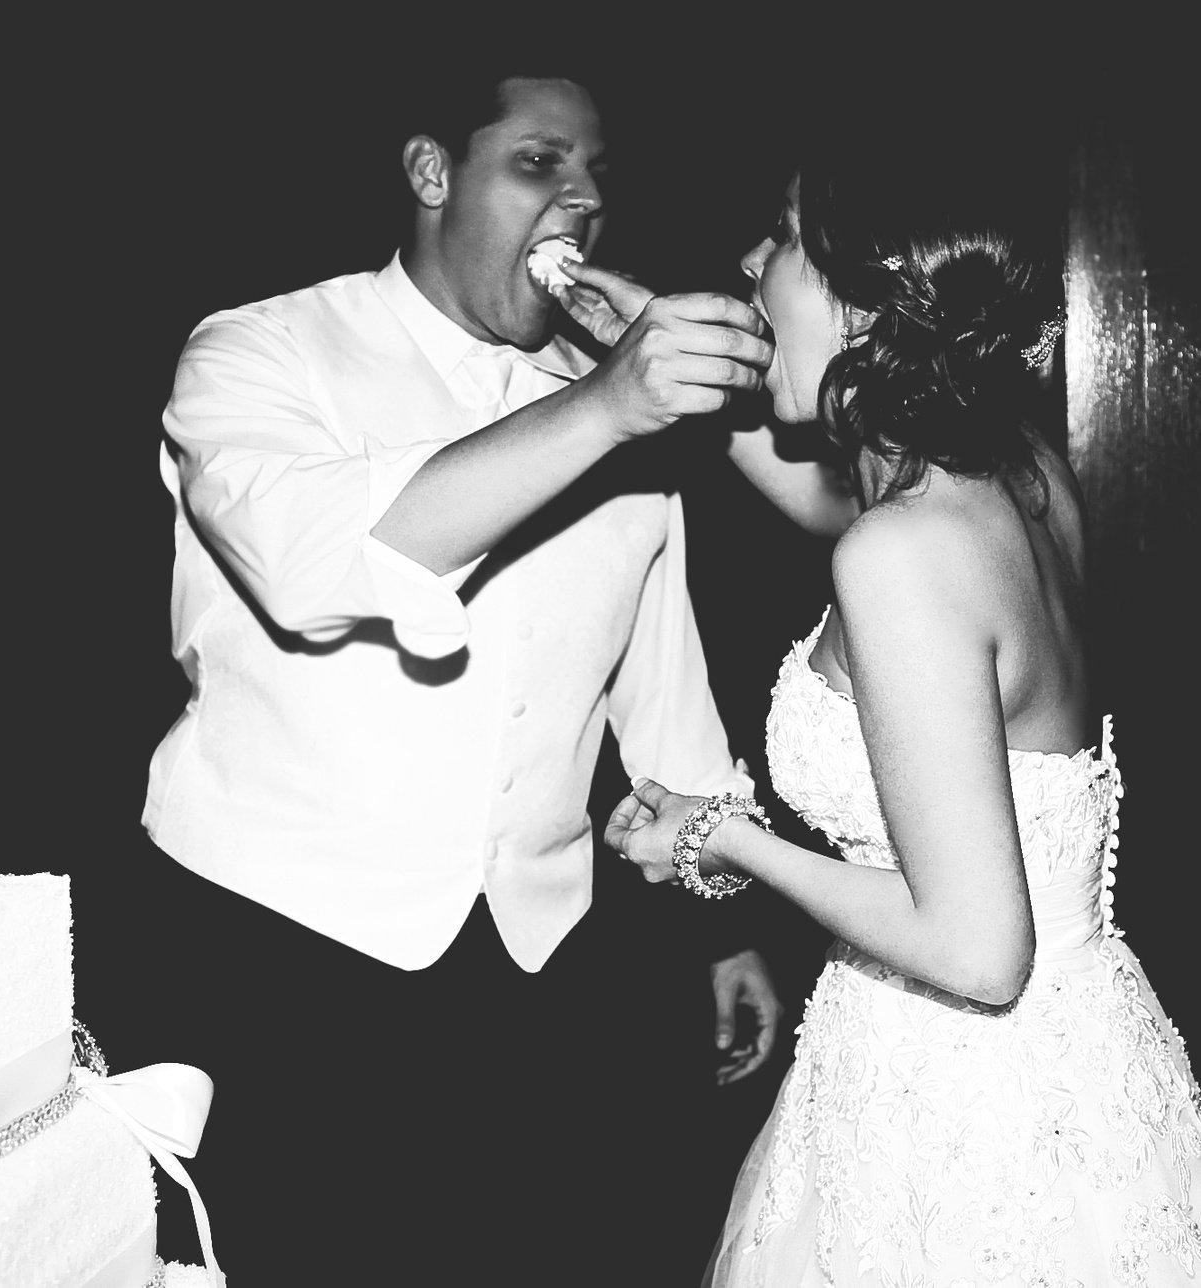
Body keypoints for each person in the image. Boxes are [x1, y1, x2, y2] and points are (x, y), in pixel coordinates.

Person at [138, 67, 785, 1279]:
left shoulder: (607, 397)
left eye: (595, 175)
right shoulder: (261, 348)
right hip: (277, 946)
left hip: (535, 964)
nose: (581, 200)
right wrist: (606, 408)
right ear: (433, 172)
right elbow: (312, 564)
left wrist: (724, 924)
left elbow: (661, 682)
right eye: (539, 163)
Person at [589, 142, 1201, 1283]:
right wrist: (663, 366)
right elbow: (846, 515)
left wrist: (725, 838)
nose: (750, 260)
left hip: (969, 1118)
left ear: (869, 299)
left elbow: (977, 952)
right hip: (1067, 1066)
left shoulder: (900, 553)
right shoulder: (1019, 476)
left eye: (783, 237)